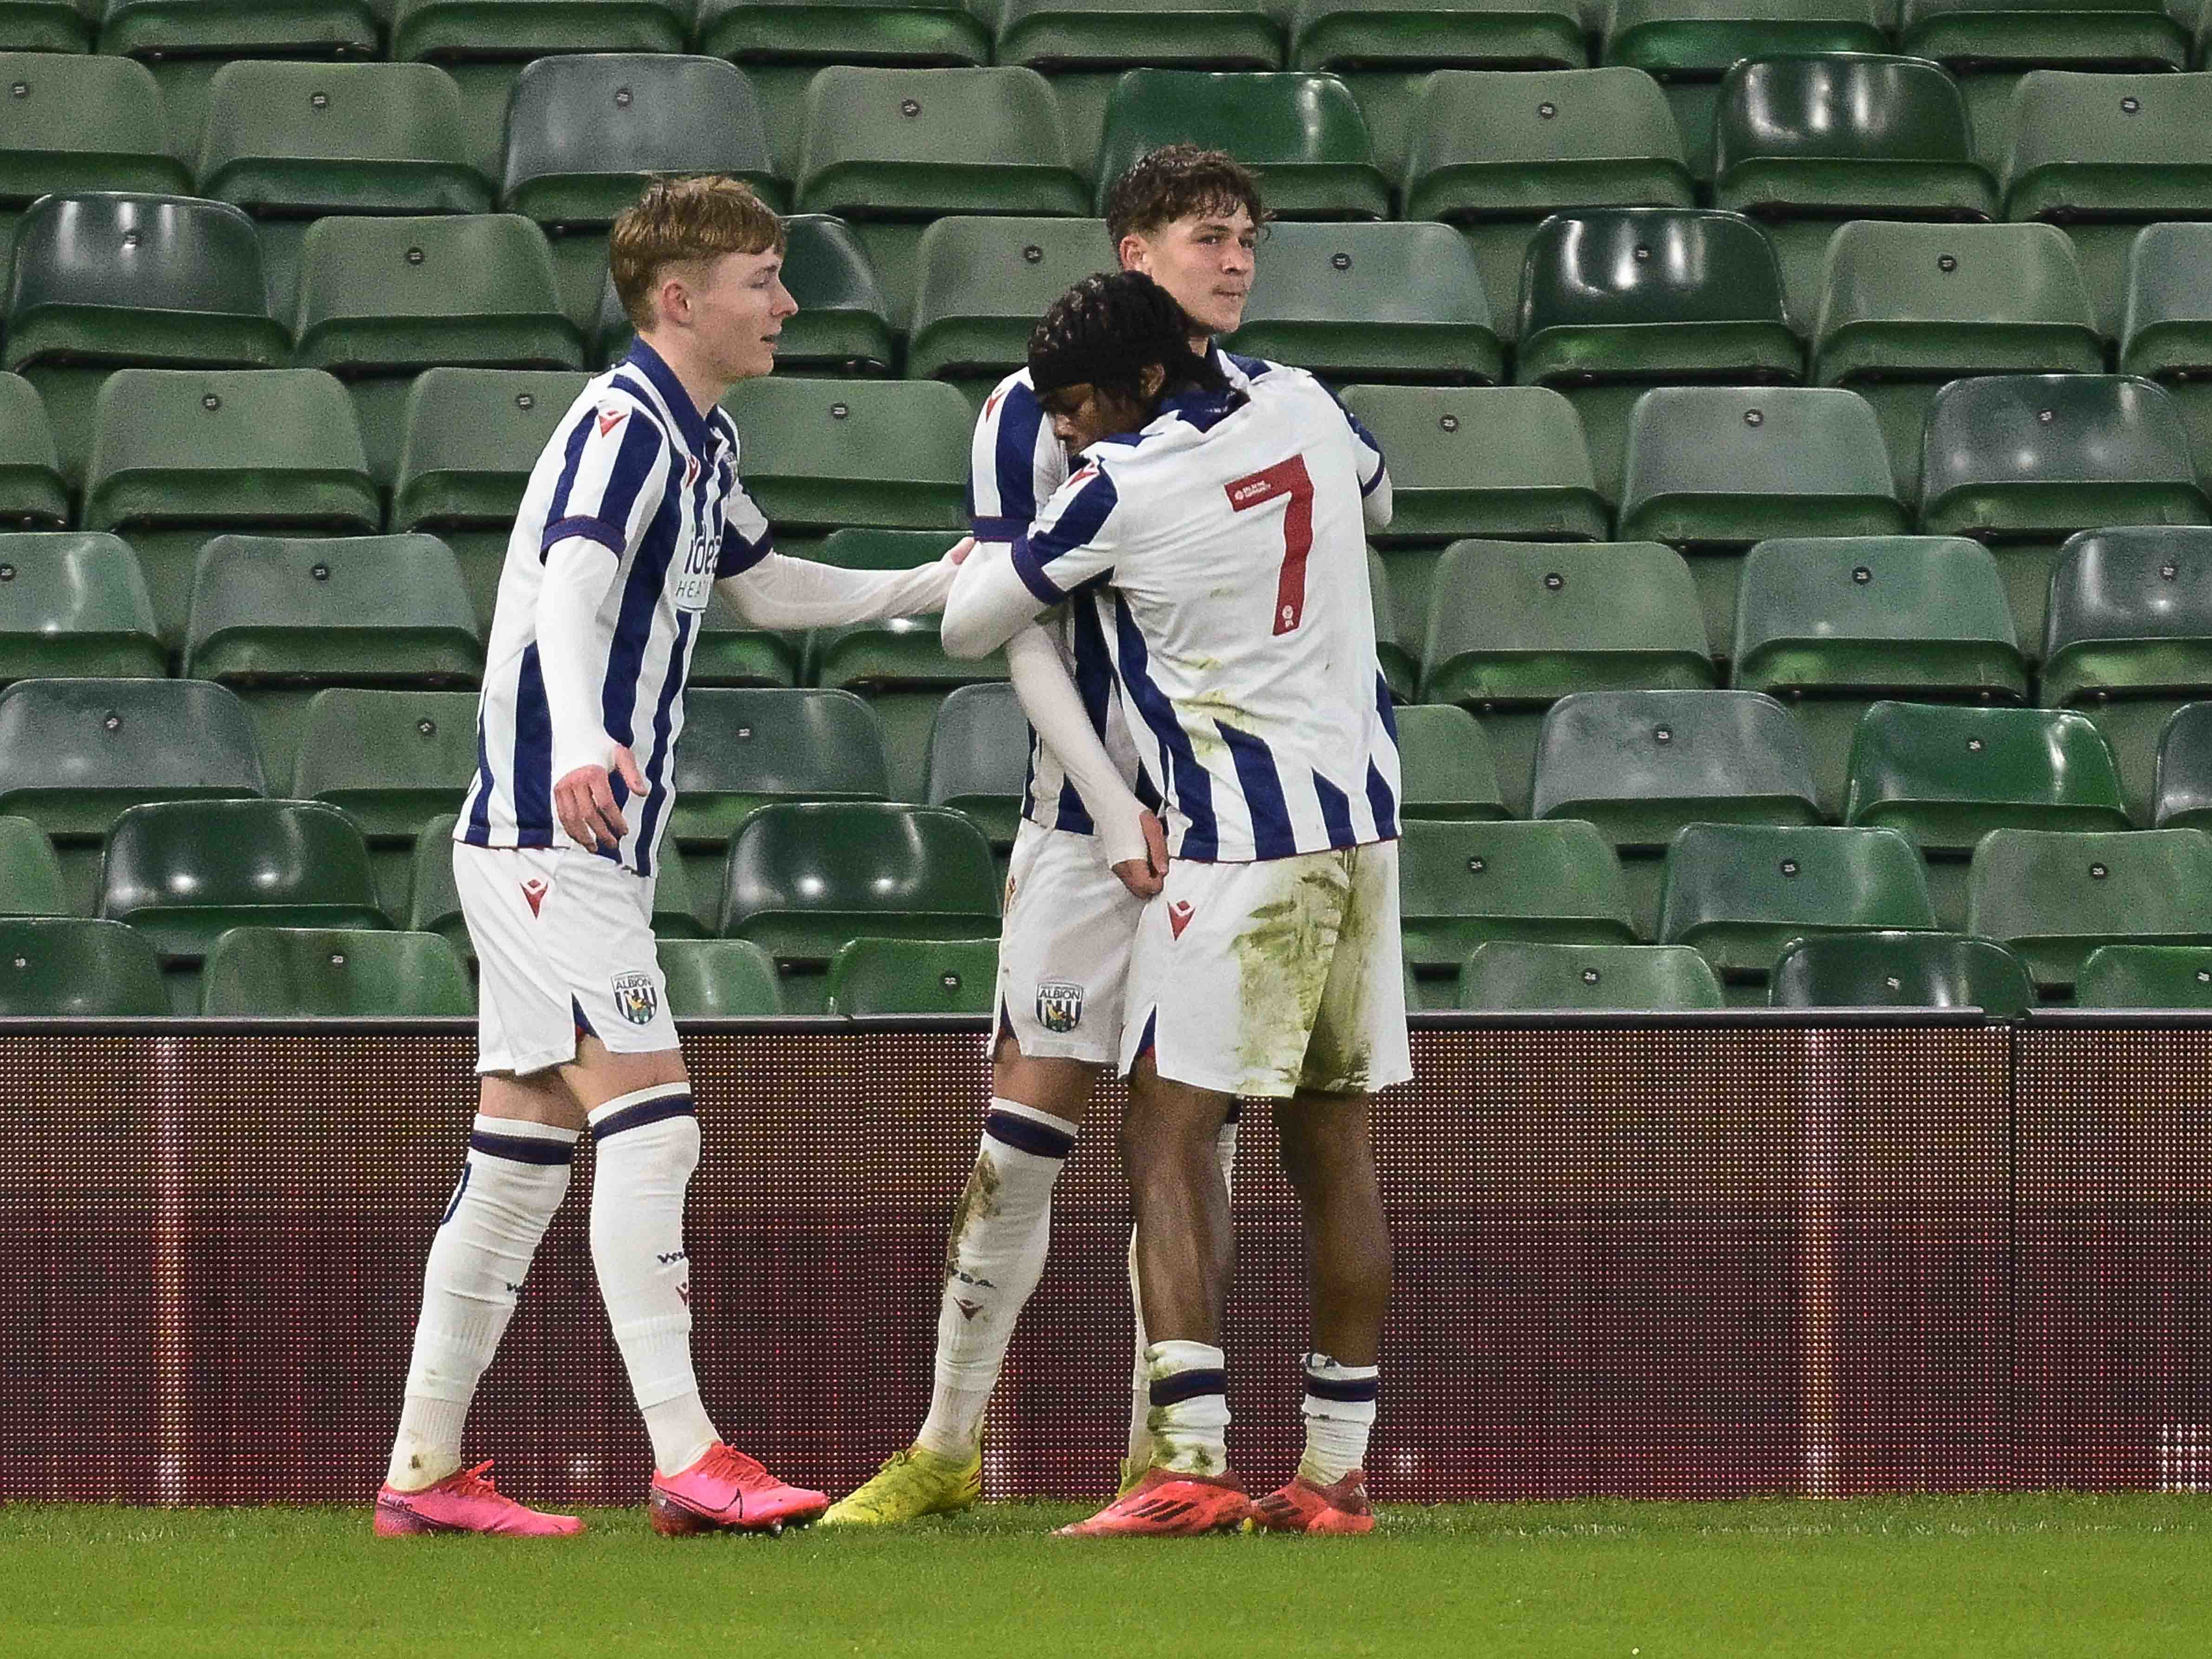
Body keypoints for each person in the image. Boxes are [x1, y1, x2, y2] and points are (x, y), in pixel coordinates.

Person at [372, 176, 965, 1538]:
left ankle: (422, 1471)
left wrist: (928, 586)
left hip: (569, 835)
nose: (787, 302)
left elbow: (767, 587)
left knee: (522, 1152)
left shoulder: (700, 444)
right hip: (551, 828)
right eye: (762, 278)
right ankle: (689, 1453)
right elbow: (571, 587)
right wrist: (582, 741)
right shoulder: (626, 428)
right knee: (657, 1124)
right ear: (678, 299)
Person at [822, 148, 1392, 1527]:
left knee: (1187, 1130)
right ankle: (953, 1445)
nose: (1237, 260)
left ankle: (1175, 1457)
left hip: (1226, 828)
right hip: (1131, 827)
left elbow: (986, 607)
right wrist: (1106, 797)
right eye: (1208, 237)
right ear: (1135, 254)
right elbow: (1014, 634)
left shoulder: (1194, 435)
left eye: (1250, 237)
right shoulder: (1065, 414)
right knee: (1047, 1136)